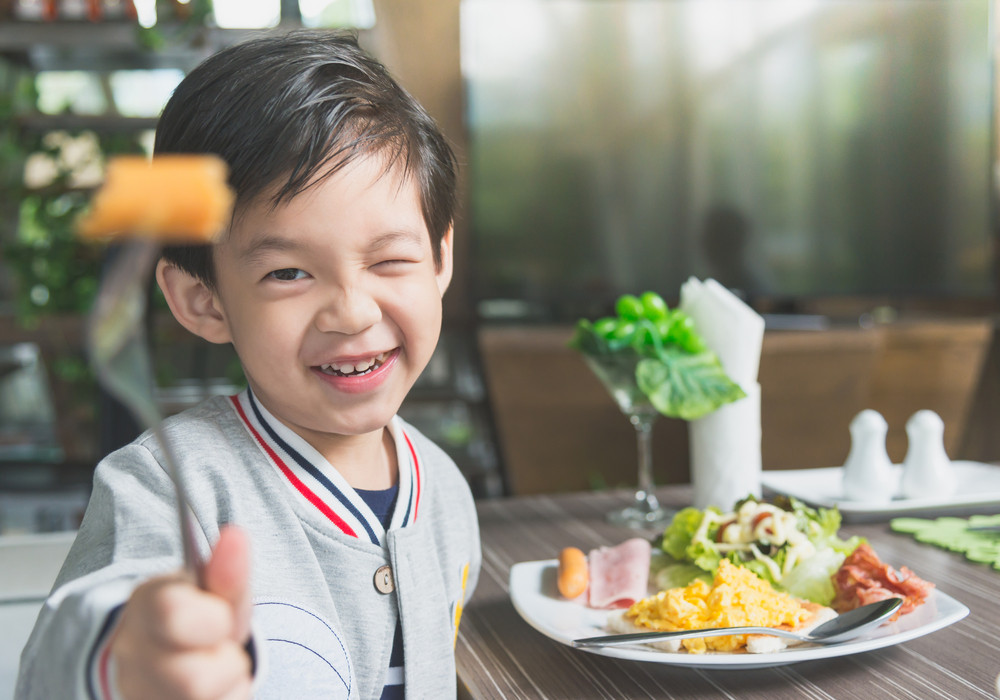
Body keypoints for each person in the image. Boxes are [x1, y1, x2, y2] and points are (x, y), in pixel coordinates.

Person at [16, 30, 481, 700]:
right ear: (203, 301)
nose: (351, 312)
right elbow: (63, 657)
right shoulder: (165, 488)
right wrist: (122, 656)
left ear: (440, 259)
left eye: (389, 260)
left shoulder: (443, 489)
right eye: (288, 272)